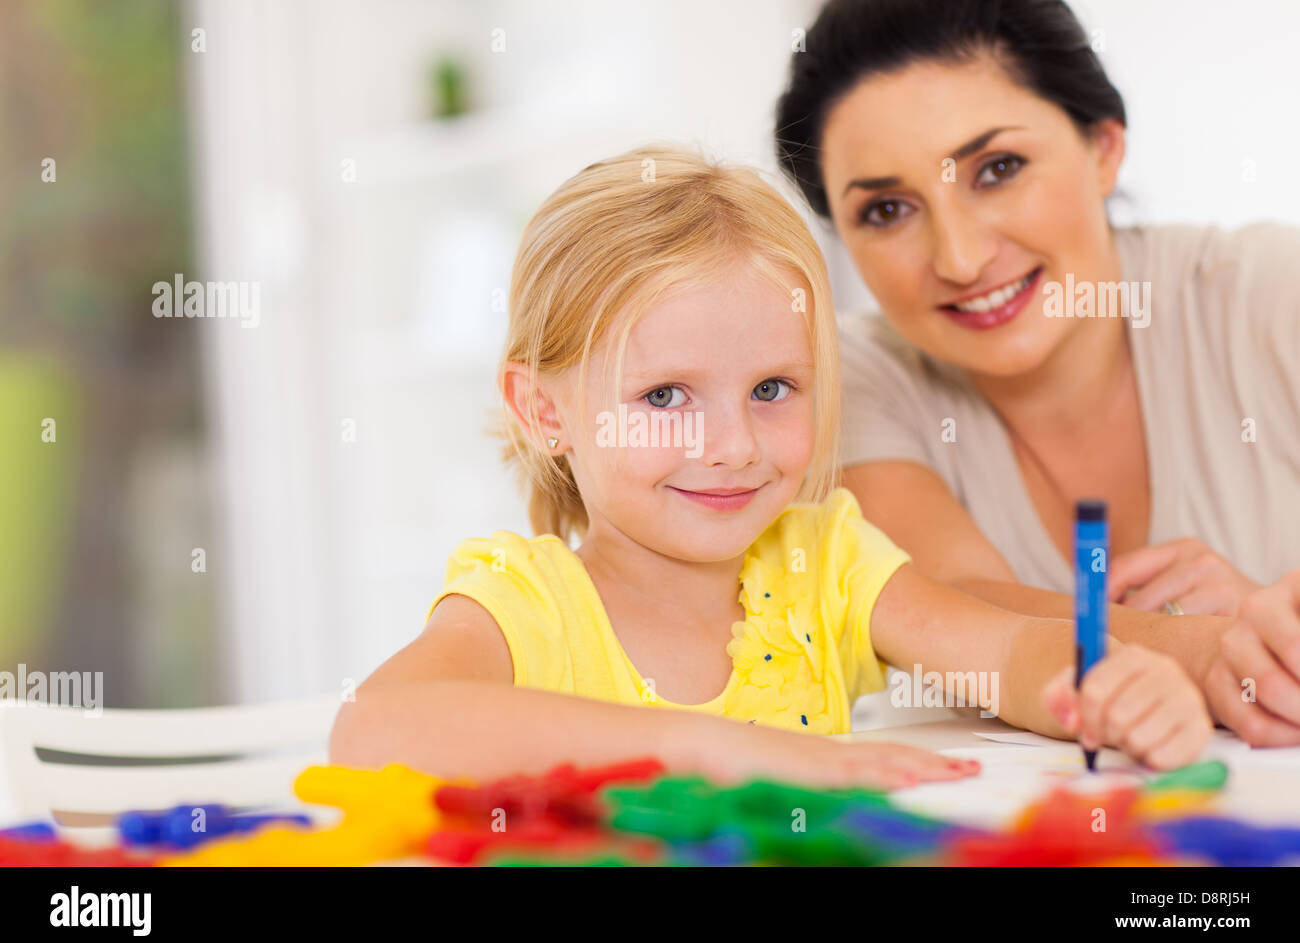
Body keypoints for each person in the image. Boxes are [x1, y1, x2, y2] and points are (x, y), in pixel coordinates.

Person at [329, 146, 1211, 785]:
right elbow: (377, 726)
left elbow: (1005, 650)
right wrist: (719, 752)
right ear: (544, 409)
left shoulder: (825, 562)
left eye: (773, 388)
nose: (734, 446)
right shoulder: (527, 604)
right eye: (667, 396)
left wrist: (1103, 683)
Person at [774, 0, 1300, 744]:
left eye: (999, 169)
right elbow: (952, 602)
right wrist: (1219, 644)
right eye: (888, 210)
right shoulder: (847, 380)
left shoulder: (1272, 297)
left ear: (1104, 148)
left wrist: (1271, 640)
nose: (959, 258)